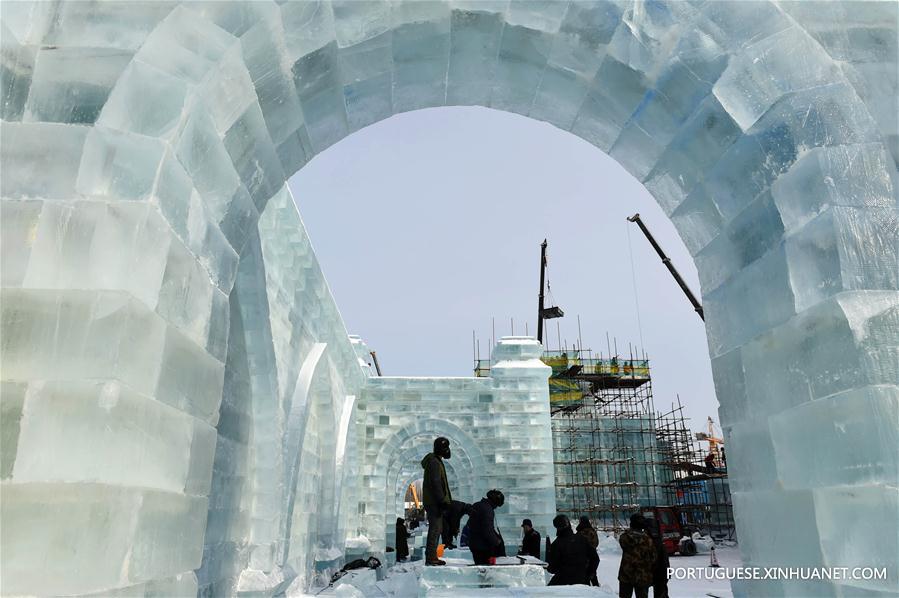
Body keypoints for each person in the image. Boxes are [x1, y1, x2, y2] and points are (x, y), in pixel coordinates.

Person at [421, 437, 453, 566]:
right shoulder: (434, 462)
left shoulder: (436, 461)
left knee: (436, 529)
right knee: (435, 529)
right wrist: (441, 500)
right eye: (446, 447)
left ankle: (432, 556)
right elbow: (436, 482)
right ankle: (431, 557)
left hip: (433, 501)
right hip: (434, 502)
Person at [546, 514, 599, 586]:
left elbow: (552, 568)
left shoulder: (556, 544)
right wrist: (588, 575)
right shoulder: (582, 539)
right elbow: (595, 559)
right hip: (582, 581)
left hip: (563, 583)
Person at [618, 513, 656, 598]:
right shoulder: (648, 540)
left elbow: (622, 543)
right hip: (642, 575)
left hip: (626, 574)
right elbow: (653, 557)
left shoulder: (625, 537)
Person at [467, 489, 505, 565]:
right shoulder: (487, 510)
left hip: (474, 544)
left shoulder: (477, 505)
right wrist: (496, 541)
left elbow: (469, 524)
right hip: (483, 547)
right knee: (486, 569)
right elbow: (487, 530)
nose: (496, 507)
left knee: (479, 567)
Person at [643, 518, 670, 598]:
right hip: (662, 573)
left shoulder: (650, 542)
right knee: (661, 593)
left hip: (657, 573)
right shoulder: (658, 540)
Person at [576, 516, 600, 586]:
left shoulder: (581, 532)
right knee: (593, 575)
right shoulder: (592, 531)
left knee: (585, 578)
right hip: (593, 557)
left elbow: (577, 545)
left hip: (583, 558)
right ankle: (599, 592)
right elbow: (596, 543)